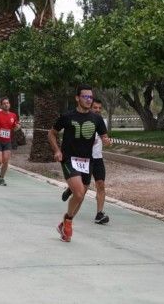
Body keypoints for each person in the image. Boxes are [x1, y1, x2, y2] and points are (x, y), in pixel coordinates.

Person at [48, 85, 111, 242]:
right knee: (78, 192)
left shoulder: (96, 119)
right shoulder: (67, 116)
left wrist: (107, 141)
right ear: (77, 98)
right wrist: (57, 150)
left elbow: (104, 137)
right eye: (85, 97)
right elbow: (51, 133)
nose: (88, 100)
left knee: (81, 196)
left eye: (90, 97)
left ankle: (66, 222)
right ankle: (68, 221)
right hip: (69, 158)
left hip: (87, 161)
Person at [61, 98, 110, 225]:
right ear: (89, 107)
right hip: (83, 159)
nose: (98, 110)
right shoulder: (80, 119)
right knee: (82, 192)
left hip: (97, 158)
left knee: (101, 184)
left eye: (100, 108)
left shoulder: (100, 121)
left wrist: (107, 141)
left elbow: (105, 138)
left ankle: (99, 213)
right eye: (95, 108)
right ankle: (72, 191)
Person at [0, 97, 20, 186]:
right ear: (1, 105)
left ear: (9, 104)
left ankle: (1, 179)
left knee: (5, 161)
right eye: (4, 103)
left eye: (7, 103)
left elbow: (15, 127)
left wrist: (18, 127)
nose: (6, 104)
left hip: (7, 141)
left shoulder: (13, 115)